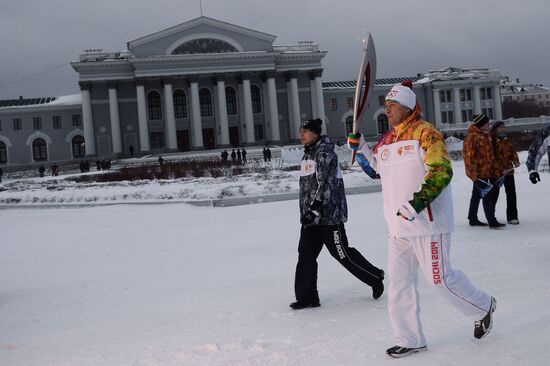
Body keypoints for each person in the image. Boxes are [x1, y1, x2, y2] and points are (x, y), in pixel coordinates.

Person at [348, 81, 496, 358]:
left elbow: (441, 172)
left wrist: (416, 204)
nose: (387, 111)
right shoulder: (388, 140)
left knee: (441, 280)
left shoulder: (427, 134)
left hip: (428, 224)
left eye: (392, 106)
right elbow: (377, 171)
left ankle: (483, 306)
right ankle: (410, 338)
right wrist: (362, 149)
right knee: (400, 285)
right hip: (397, 227)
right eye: (387, 106)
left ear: (406, 107)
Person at [291, 118, 384, 311]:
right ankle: (307, 297)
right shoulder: (308, 154)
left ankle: (375, 278)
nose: (301, 134)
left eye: (305, 131)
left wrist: (314, 209)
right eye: (301, 130)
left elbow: (326, 184)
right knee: (305, 256)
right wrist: (308, 213)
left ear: (316, 133)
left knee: (342, 254)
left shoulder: (325, 154)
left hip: (328, 217)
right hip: (311, 219)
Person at [463, 113, 505, 229]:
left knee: (476, 195)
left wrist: (495, 169)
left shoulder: (485, 136)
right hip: (479, 172)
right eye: (488, 123)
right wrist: (475, 174)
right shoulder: (472, 138)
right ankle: (492, 221)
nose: (490, 125)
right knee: (488, 194)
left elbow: (489, 155)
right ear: (481, 125)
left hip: (486, 171)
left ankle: (472, 218)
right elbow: (469, 158)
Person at [491, 121, 520, 224]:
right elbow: (491, 157)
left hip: (508, 171)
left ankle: (512, 217)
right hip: (497, 173)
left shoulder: (506, 139)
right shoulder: (492, 140)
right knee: (494, 194)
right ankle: (491, 216)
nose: (503, 129)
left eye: (504, 127)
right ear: (495, 129)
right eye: (500, 127)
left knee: (511, 193)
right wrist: (498, 169)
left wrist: (516, 161)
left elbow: (512, 151)